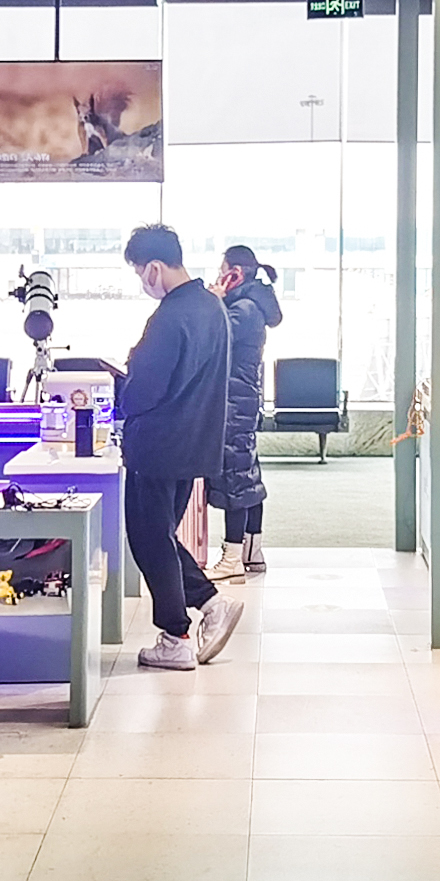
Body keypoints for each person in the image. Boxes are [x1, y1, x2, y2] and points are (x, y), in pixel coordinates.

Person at [115, 224, 241, 671]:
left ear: (154, 267)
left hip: (157, 443)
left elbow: (146, 388)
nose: (142, 282)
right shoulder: (211, 307)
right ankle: (208, 605)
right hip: (194, 442)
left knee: (148, 539)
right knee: (160, 536)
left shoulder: (170, 317)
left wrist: (124, 390)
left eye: (140, 273)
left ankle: (177, 636)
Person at [212, 244, 283, 579]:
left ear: (235, 274)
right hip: (241, 400)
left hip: (232, 403)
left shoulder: (242, 310)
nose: (217, 277)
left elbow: (210, 339)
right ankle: (252, 552)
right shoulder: (250, 305)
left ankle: (232, 558)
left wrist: (214, 301)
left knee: (235, 479)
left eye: (221, 270)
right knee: (247, 475)